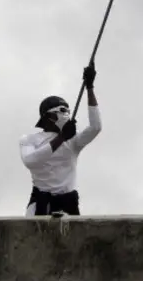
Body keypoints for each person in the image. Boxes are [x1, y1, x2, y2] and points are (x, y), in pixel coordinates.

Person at [19, 64, 101, 216]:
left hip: (68, 204)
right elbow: (31, 161)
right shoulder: (29, 140)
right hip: (40, 204)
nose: (66, 114)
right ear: (48, 117)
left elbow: (95, 127)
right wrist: (62, 138)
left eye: (68, 111)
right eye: (62, 111)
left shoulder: (74, 141)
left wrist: (90, 88)